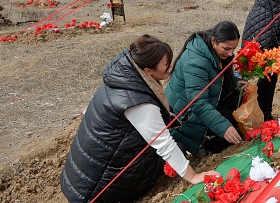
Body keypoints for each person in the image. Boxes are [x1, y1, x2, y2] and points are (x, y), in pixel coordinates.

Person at [60, 35, 218, 203]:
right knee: (176, 147)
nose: (170, 67)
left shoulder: (123, 77)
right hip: (96, 190)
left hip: (80, 178)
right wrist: (193, 176)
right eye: (166, 64)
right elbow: (163, 144)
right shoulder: (137, 102)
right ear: (148, 70)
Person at [165, 21, 245, 155]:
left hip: (199, 105)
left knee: (234, 112)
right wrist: (223, 127)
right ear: (214, 41)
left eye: (233, 49)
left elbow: (215, 79)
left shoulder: (212, 52)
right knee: (228, 125)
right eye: (227, 49)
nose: (231, 54)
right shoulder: (196, 62)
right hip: (183, 117)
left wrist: (236, 82)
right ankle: (202, 144)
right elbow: (197, 102)